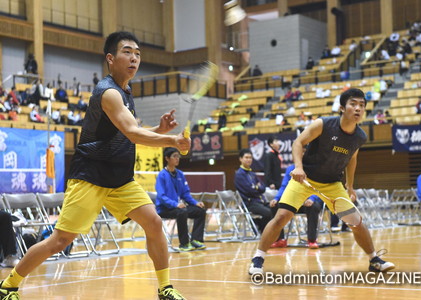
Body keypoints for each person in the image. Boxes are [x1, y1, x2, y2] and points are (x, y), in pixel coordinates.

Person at [0, 31, 190, 300]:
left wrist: (158, 129)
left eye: (137, 53)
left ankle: (165, 288)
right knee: (60, 241)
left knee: (154, 223)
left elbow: (128, 132)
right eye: (127, 52)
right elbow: (133, 133)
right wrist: (170, 138)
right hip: (91, 177)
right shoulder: (108, 93)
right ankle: (9, 284)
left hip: (120, 180)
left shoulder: (125, 92)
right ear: (110, 59)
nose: (134, 57)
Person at [248, 88, 395, 276]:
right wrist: (298, 167)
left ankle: (374, 260)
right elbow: (298, 143)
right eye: (353, 104)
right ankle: (258, 259)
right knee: (281, 217)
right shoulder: (323, 124)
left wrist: (350, 186)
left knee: (356, 222)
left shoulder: (360, 136)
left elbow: (352, 159)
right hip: (305, 178)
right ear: (342, 108)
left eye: (362, 105)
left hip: (332, 183)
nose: (358, 108)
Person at [155, 147, 207, 252]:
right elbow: (161, 196)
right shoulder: (162, 175)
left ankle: (196, 240)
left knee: (200, 211)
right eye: (174, 156)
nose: (177, 158)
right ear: (167, 158)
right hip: (165, 209)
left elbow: (185, 194)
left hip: (178, 208)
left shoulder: (180, 174)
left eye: (178, 156)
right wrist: (175, 204)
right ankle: (184, 244)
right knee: (182, 212)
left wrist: (195, 203)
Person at [271, 164, 323, 248]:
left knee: (313, 207)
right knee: (275, 205)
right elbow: (284, 186)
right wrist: (276, 198)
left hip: (309, 201)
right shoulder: (291, 169)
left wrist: (312, 199)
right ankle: (280, 240)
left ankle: (312, 240)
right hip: (294, 202)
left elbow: (319, 187)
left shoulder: (315, 167)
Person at [234, 149, 272, 234]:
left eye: (250, 158)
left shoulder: (252, 174)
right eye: (246, 157)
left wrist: (256, 187)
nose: (249, 160)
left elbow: (263, 188)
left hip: (260, 202)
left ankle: (265, 229)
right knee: (268, 212)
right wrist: (257, 188)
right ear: (240, 159)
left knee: (275, 210)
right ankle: (263, 231)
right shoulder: (239, 174)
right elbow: (249, 190)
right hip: (250, 204)